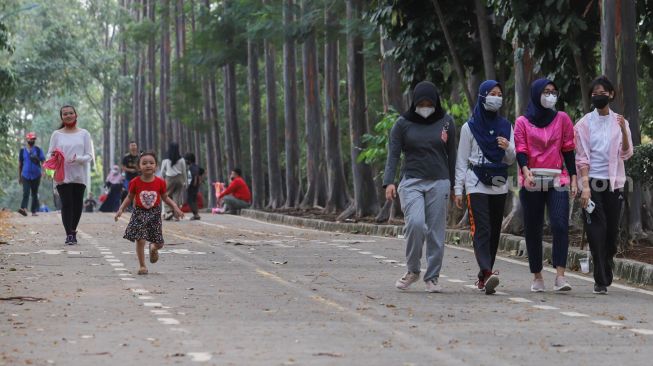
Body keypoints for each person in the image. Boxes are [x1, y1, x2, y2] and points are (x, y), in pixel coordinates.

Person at [383, 81, 457, 293]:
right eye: (421, 102)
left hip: (439, 181)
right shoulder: (402, 124)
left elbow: (452, 154)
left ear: (435, 102)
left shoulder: (446, 122)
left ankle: (432, 277)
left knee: (436, 232)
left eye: (429, 102)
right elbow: (394, 154)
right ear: (414, 102)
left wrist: (454, 186)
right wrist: (389, 182)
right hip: (412, 181)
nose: (425, 106)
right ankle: (413, 270)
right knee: (415, 223)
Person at [514, 78, 577, 292]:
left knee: (560, 224)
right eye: (546, 91)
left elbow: (568, 149)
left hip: (557, 178)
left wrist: (575, 178)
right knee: (533, 228)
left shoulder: (562, 119)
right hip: (531, 179)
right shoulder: (522, 121)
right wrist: (525, 170)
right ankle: (537, 276)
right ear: (536, 94)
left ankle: (560, 276)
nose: (550, 95)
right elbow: (521, 149)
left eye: (553, 91)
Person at [454, 80, 515, 295]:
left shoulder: (506, 126)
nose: (496, 97)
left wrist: (507, 147)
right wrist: (458, 189)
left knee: (495, 230)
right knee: (482, 228)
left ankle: (483, 277)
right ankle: (488, 272)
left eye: (499, 94)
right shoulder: (469, 127)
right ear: (482, 96)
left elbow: (510, 160)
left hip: (498, 180)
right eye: (492, 93)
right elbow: (462, 160)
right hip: (476, 180)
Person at [575, 76, 633, 295]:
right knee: (595, 229)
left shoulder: (620, 121)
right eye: (594, 93)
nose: (598, 95)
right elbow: (582, 158)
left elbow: (626, 154)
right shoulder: (583, 124)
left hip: (613, 183)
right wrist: (585, 187)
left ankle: (606, 263)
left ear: (611, 94)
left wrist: (625, 132)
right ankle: (600, 279)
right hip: (592, 183)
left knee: (611, 233)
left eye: (602, 92)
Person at [115, 152, 184, 275]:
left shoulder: (160, 182)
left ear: (156, 166)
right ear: (139, 167)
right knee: (140, 239)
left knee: (159, 243)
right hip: (139, 213)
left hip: (155, 213)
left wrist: (175, 207)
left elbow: (166, 198)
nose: (148, 165)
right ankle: (142, 266)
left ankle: (153, 248)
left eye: (151, 163)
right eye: (144, 163)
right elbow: (129, 197)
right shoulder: (135, 182)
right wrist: (121, 209)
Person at [47, 105, 95, 245]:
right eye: (65, 114)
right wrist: (53, 159)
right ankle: (69, 234)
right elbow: (49, 153)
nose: (68, 115)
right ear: (61, 117)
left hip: (79, 175)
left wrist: (78, 159)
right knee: (67, 203)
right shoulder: (56, 134)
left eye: (70, 113)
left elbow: (89, 156)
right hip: (62, 175)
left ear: (76, 114)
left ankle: (73, 230)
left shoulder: (84, 134)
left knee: (77, 204)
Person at [18, 132, 46, 217]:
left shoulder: (38, 150)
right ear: (27, 139)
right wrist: (19, 177)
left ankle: (34, 211)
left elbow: (43, 161)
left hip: (36, 175)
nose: (32, 140)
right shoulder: (22, 151)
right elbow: (20, 165)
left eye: (33, 139)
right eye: (30, 139)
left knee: (34, 193)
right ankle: (24, 209)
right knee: (26, 192)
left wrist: (44, 171)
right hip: (25, 175)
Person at [160, 142, 187, 220]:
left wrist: (161, 181)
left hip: (169, 179)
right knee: (176, 197)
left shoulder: (166, 160)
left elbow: (162, 172)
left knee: (166, 196)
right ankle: (176, 216)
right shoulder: (181, 159)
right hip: (179, 179)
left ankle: (169, 211)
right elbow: (184, 171)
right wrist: (185, 182)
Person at [184, 153, 205, 220]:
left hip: (192, 186)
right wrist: (200, 180)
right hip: (195, 186)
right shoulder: (196, 166)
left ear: (189, 160)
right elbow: (202, 171)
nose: (185, 161)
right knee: (193, 200)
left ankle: (196, 214)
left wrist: (195, 182)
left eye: (186, 160)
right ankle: (196, 214)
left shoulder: (192, 167)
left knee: (190, 200)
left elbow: (195, 174)